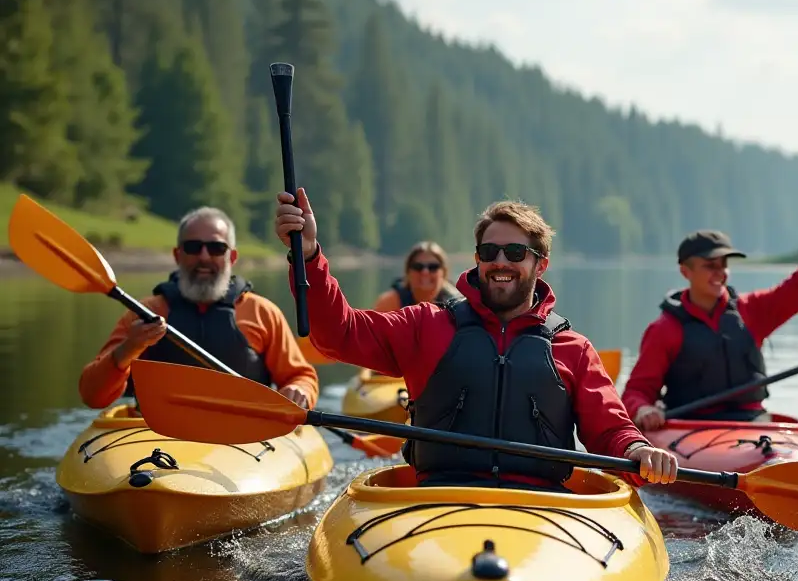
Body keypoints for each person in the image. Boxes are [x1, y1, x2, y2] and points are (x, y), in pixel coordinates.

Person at [273, 189, 680, 490]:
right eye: (490, 251)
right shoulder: (426, 324)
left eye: (516, 252)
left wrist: (636, 452)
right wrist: (308, 254)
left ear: (541, 263)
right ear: (478, 259)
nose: (500, 261)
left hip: (544, 507)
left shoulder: (573, 349)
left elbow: (610, 430)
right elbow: (339, 334)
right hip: (439, 499)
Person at [623, 198, 798, 429]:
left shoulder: (752, 311)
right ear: (685, 272)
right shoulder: (665, 329)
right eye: (710, 266)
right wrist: (643, 409)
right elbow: (636, 391)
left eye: (723, 265)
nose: (720, 273)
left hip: (751, 425)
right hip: (688, 429)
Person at [79, 206, 319, 412]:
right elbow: (92, 396)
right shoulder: (143, 313)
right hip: (154, 435)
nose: (204, 257)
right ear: (177, 255)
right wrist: (129, 348)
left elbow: (300, 376)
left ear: (232, 257)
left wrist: (300, 390)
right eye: (193, 247)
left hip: (243, 435)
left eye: (216, 248)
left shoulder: (263, 313)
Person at [373, 241, 463, 311]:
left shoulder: (457, 306)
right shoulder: (389, 303)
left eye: (433, 267)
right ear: (408, 272)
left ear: (444, 272)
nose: (425, 272)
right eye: (418, 267)